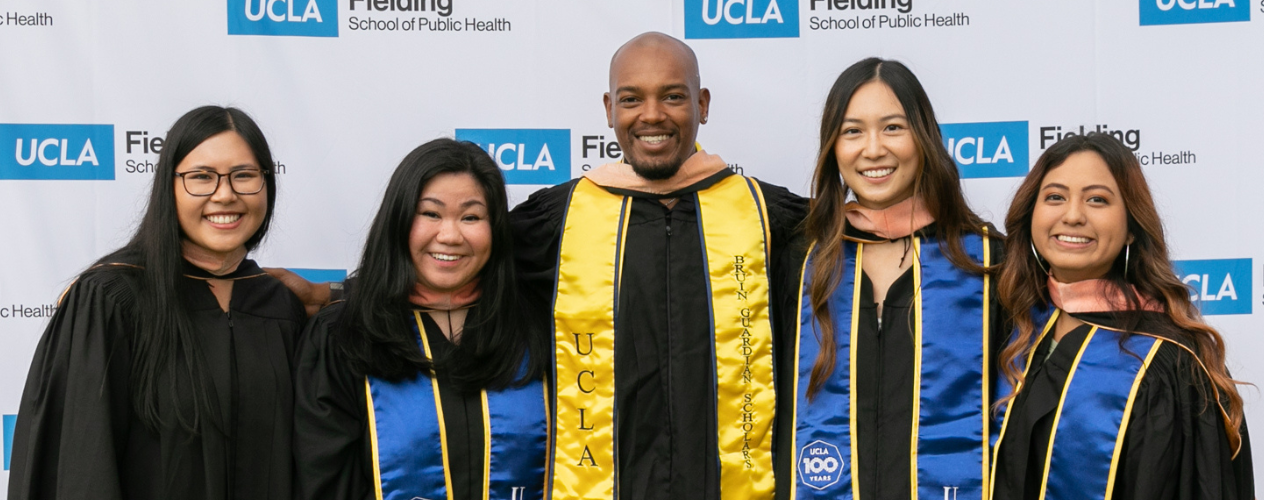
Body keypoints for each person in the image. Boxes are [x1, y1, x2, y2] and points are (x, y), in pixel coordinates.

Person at [509, 32, 806, 499]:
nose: (652, 115)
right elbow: (454, 274)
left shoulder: (767, 217)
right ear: (609, 109)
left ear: (702, 104)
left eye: (673, 96)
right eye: (631, 99)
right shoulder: (556, 222)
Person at [7, 106, 305, 500]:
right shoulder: (111, 299)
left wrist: (332, 294)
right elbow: (81, 465)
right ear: (168, 186)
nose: (225, 195)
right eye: (201, 177)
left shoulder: (279, 306)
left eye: (244, 175)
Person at [777, 58, 1005, 500]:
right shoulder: (799, 262)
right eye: (852, 131)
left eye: (893, 128)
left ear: (924, 138)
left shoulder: (987, 263)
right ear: (833, 147)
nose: (873, 149)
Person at [990, 133, 1253, 499]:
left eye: (1097, 200)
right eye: (1055, 197)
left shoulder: (1168, 361)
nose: (1072, 215)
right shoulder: (1011, 329)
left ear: (1131, 227)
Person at [292, 138, 550, 500]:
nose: (449, 235)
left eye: (471, 217)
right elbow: (324, 484)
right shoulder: (345, 336)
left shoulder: (534, 330)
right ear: (399, 220)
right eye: (430, 213)